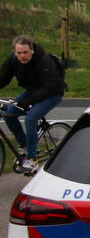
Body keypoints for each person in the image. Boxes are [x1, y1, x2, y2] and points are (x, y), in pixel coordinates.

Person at [0, 36, 66, 174]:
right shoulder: (14, 61)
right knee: (9, 114)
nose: (22, 56)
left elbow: (49, 88)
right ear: (14, 52)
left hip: (52, 93)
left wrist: (27, 103)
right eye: (19, 53)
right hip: (32, 91)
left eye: (25, 52)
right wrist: (25, 101)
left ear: (32, 50)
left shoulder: (44, 62)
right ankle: (25, 145)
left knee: (30, 118)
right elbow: (3, 78)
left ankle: (32, 160)